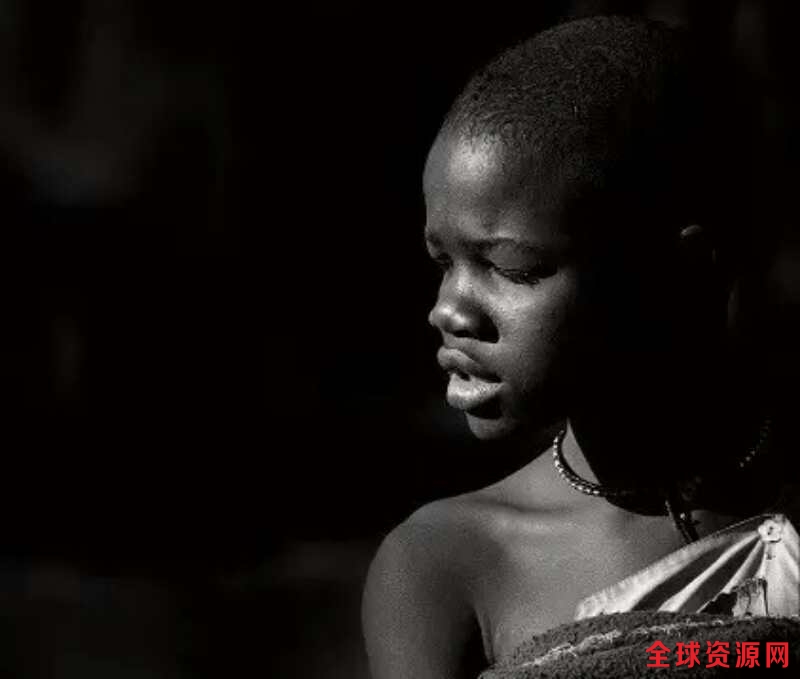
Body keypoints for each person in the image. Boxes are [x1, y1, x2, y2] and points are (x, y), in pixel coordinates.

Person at [361, 15, 799, 679]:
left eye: (510, 268)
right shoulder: (445, 565)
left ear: (681, 274)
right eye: (443, 261)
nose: (448, 309)